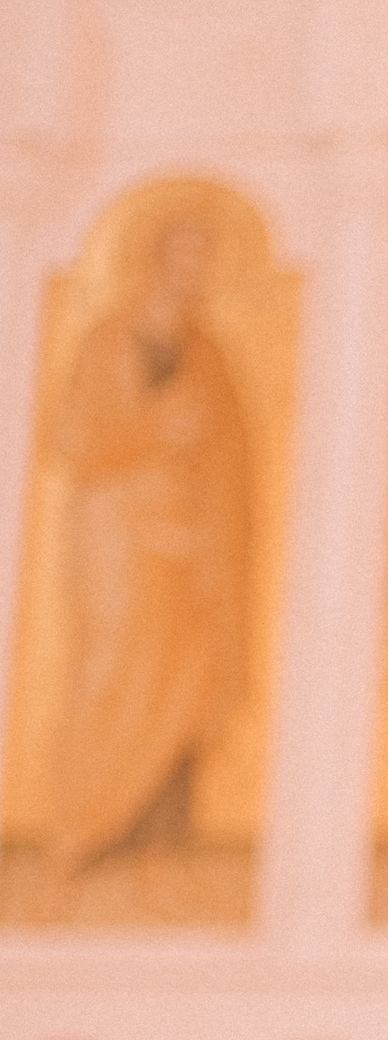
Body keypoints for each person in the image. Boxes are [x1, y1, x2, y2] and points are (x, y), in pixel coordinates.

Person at [44, 208, 253, 881]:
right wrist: (155, 430)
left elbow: (233, 461)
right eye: (186, 255)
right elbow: (74, 438)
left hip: (192, 553)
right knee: (113, 675)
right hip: (119, 547)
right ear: (154, 259)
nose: (196, 272)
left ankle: (155, 852)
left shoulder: (208, 355)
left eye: (205, 258)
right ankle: (83, 831)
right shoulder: (108, 342)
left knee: (184, 682)